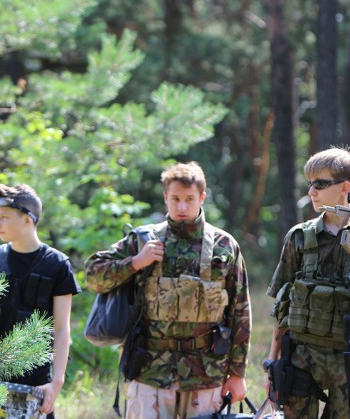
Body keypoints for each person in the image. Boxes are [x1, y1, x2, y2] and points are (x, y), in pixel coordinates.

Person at [85, 161, 251, 418]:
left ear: (202, 198)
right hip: (148, 370)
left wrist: (237, 374)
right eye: (175, 199)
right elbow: (93, 275)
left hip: (205, 372)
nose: (182, 206)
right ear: (165, 197)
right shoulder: (143, 240)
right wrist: (136, 262)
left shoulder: (224, 245)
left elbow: (240, 311)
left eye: (189, 199)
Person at [265, 146, 350, 418]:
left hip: (348, 358)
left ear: (345, 187)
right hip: (301, 355)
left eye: (320, 184)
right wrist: (273, 362)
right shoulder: (299, 237)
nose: (312, 192)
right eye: (310, 184)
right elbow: (283, 306)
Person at [0, 183, 81, 418]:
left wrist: (56, 383)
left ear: (27, 219)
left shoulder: (57, 265)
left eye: (4, 217)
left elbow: (62, 329)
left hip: (34, 389)